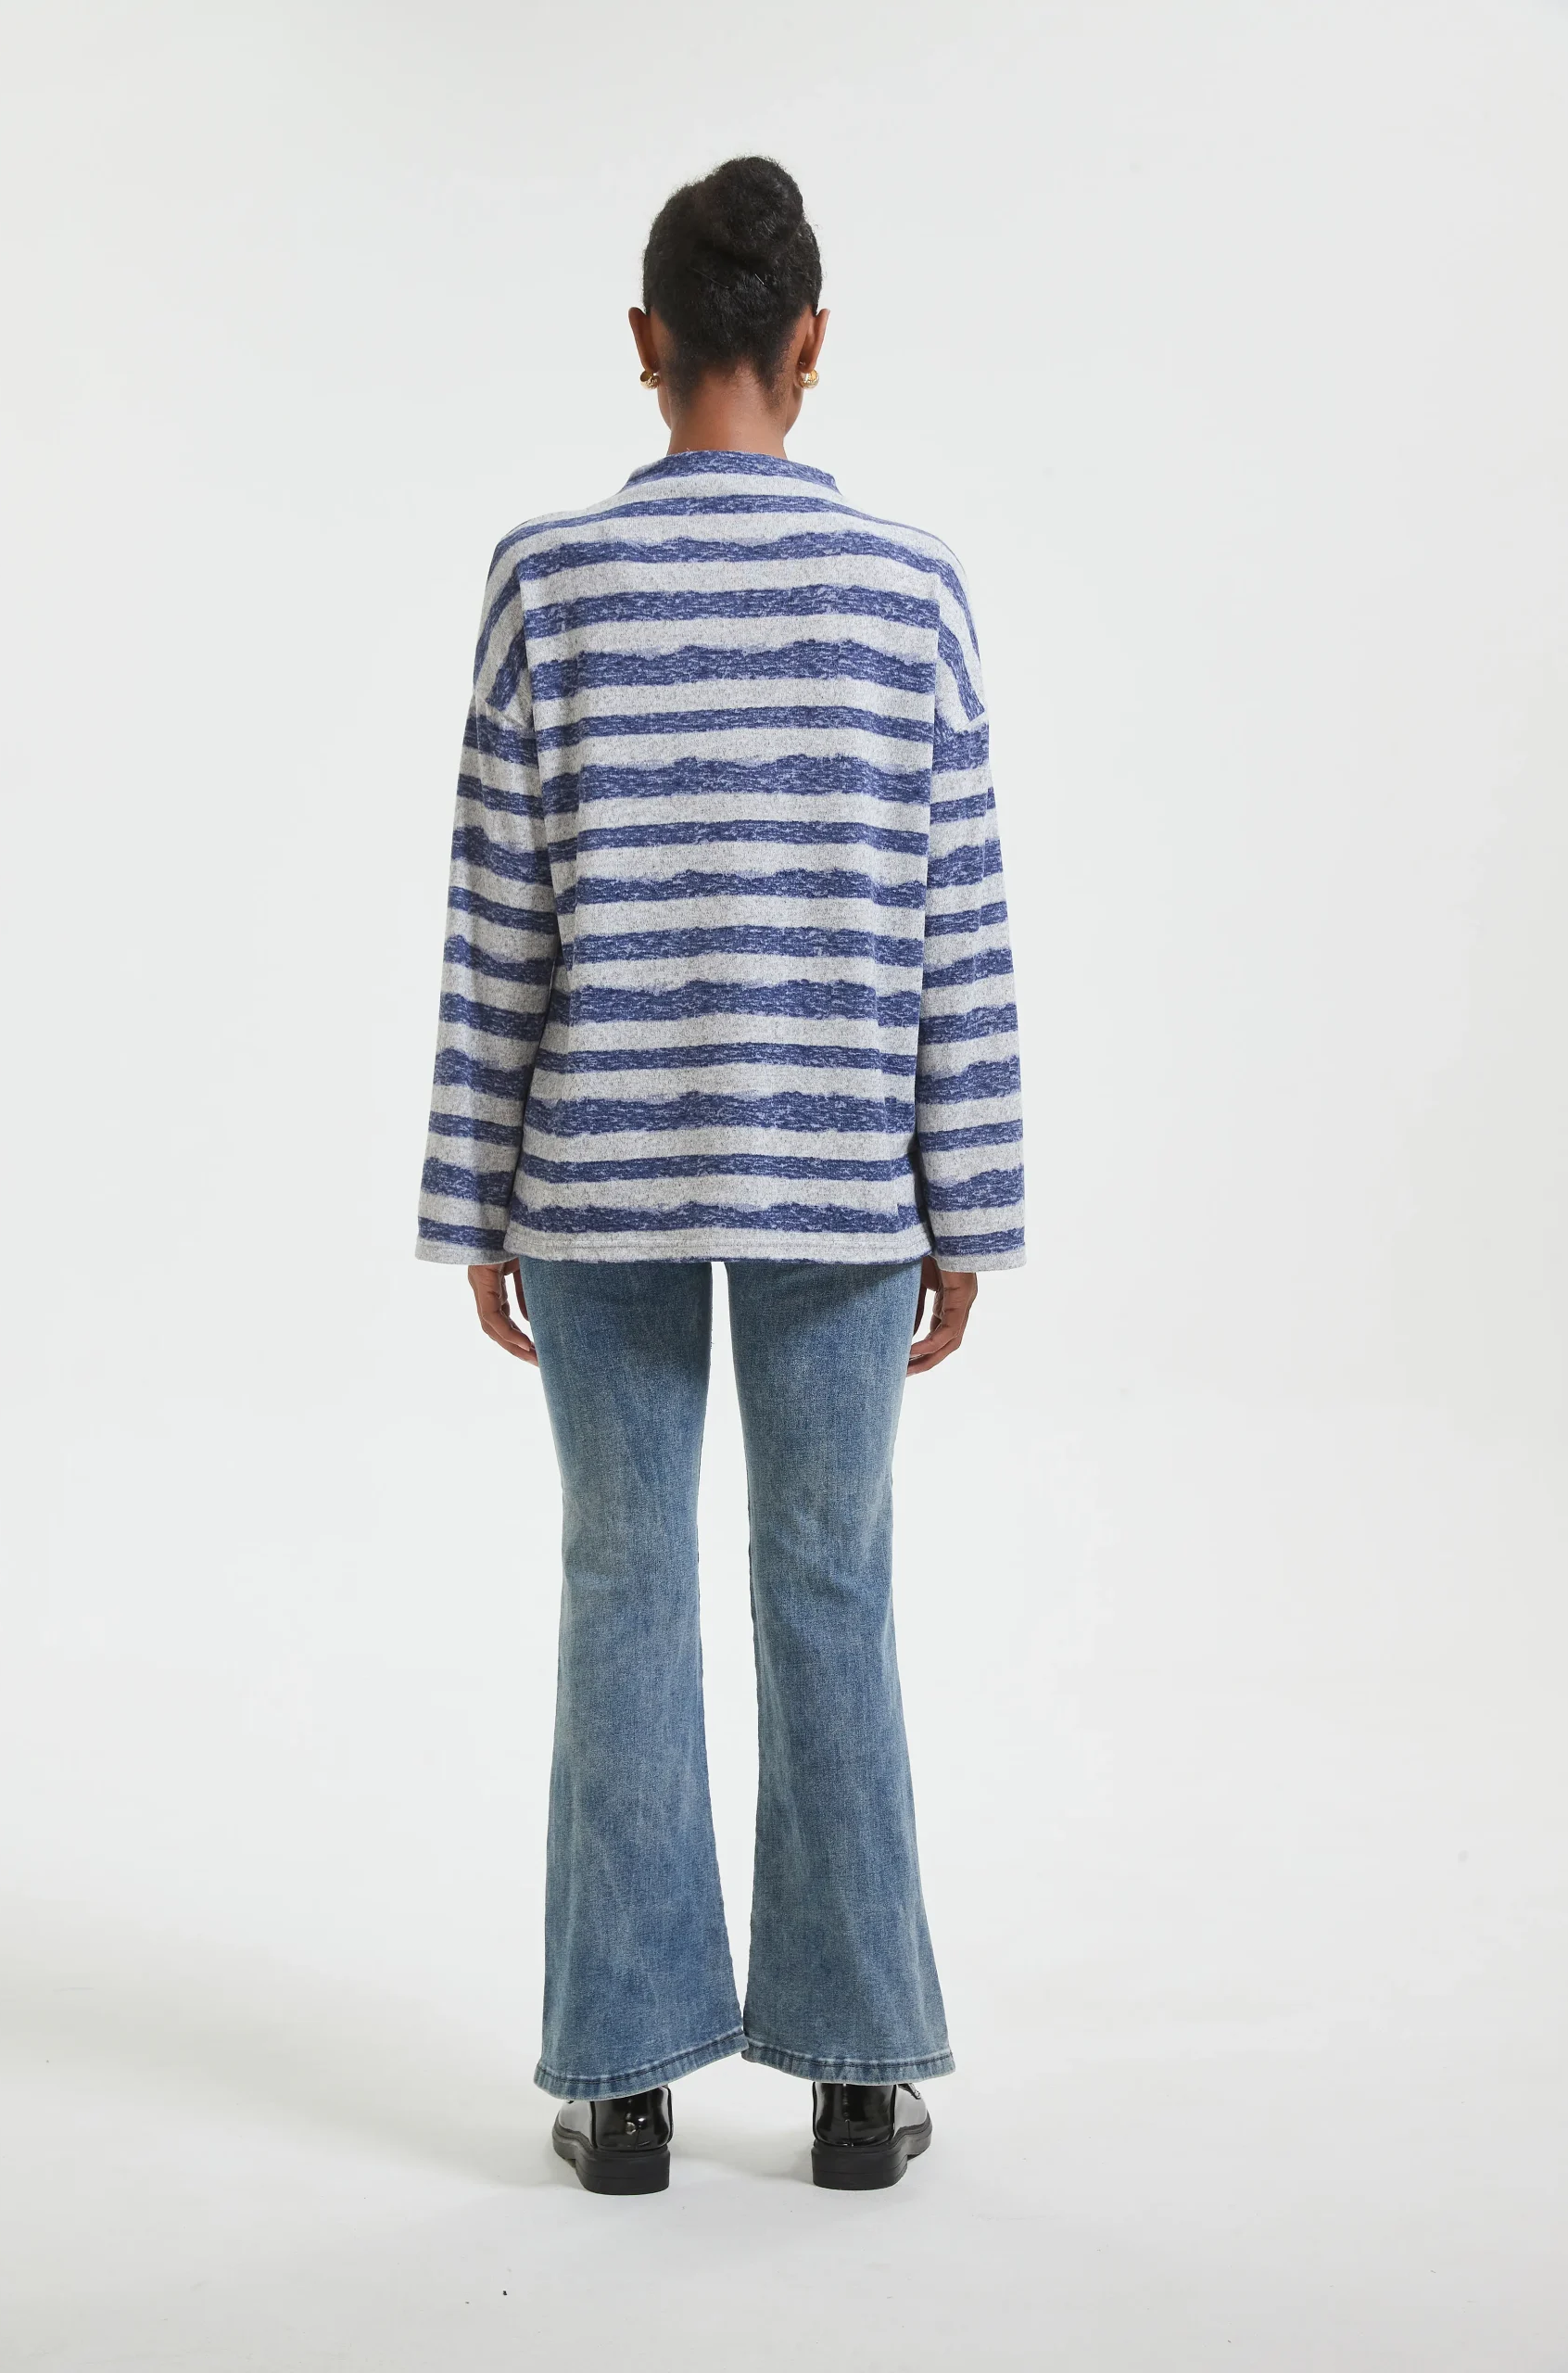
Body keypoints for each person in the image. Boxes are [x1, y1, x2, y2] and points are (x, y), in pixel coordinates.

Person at [415, 156, 1024, 2194]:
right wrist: (967, 1201)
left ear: (646, 340)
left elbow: (496, 922)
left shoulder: (546, 580)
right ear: (812, 343)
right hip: (844, 1172)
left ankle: (619, 2086)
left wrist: (476, 1199)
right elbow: (956, 923)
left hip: (595, 1167)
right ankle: (856, 2084)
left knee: (622, 1581)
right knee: (830, 1582)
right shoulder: (909, 588)